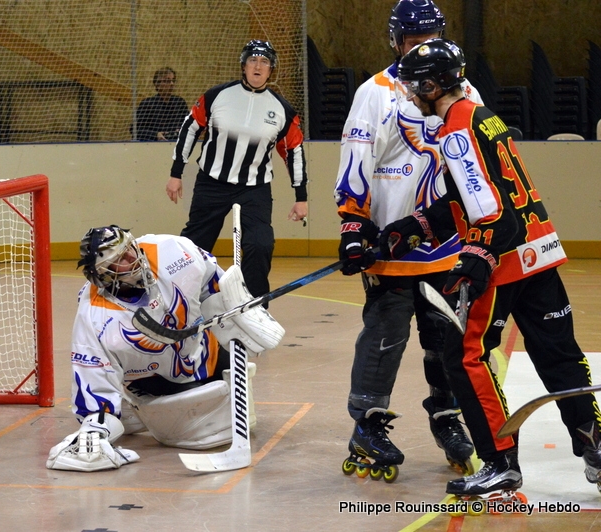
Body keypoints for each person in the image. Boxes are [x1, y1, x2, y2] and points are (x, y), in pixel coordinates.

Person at [386, 37, 601, 497]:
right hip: (537, 251)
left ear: (431, 84)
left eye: (412, 85)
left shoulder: (455, 130)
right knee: (559, 356)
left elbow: (490, 211)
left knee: (464, 357)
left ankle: (500, 461)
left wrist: (475, 259)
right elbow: (479, 194)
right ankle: (596, 448)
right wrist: (413, 226)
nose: (407, 93)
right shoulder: (482, 118)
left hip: (506, 260)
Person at [334, 0, 481, 478]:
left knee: (446, 339)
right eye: (413, 40)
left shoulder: (464, 89)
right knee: (385, 334)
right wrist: (354, 226)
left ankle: (448, 419)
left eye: (429, 38)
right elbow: (355, 159)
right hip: (391, 241)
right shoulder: (374, 93)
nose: (422, 48)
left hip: (446, 241)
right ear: (396, 41)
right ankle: (368, 423)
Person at [46, 225, 285, 472]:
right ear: (105, 274)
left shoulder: (173, 251)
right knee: (207, 435)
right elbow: (93, 379)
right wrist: (98, 423)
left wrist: (238, 310)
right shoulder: (95, 318)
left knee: (233, 404)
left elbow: (212, 281)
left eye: (129, 248)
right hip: (158, 383)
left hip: (205, 354)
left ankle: (144, 412)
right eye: (120, 260)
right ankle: (138, 408)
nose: (132, 257)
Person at [166, 40, 308, 300]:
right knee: (195, 245)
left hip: (254, 188)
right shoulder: (217, 96)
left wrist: (301, 197)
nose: (258, 66)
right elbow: (190, 129)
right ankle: (180, 299)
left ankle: (254, 307)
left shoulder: (282, 110)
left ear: (271, 70)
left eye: (264, 62)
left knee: (260, 244)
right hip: (212, 182)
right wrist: (176, 173)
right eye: (253, 60)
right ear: (243, 66)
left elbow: (294, 151)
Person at [134, 67, 189, 141]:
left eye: (173, 81)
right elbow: (136, 130)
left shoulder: (180, 103)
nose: (172, 84)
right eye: (167, 81)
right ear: (157, 84)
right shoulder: (147, 104)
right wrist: (155, 134)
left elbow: (187, 124)